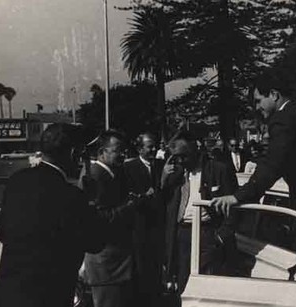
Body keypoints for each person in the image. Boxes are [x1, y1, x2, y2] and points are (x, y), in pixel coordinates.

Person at [210, 78, 296, 239]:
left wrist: (237, 197)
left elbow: (272, 165)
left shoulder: (283, 119)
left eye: (258, 101)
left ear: (274, 95)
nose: (257, 108)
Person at [0, 123, 104, 307]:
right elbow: (95, 242)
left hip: (9, 293)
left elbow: (3, 232)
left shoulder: (16, 181)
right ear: (72, 153)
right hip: (50, 295)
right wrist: (91, 202)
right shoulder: (71, 196)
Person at [161, 131, 235, 296]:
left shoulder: (218, 170)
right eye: (176, 157)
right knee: (184, 282)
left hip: (208, 233)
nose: (180, 161)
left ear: (196, 151)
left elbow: (234, 208)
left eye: (184, 156)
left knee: (207, 283)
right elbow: (162, 203)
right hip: (182, 234)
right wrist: (164, 178)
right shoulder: (177, 173)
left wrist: (221, 236)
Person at [80, 130, 143, 307]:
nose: (122, 154)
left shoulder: (113, 173)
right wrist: (130, 206)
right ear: (102, 152)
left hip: (118, 261)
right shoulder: (95, 176)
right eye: (117, 150)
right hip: (106, 263)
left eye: (123, 150)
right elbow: (98, 217)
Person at [124, 133, 163, 307]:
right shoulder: (129, 167)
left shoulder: (161, 166)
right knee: (141, 269)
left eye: (154, 146)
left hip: (157, 227)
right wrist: (144, 197)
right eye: (150, 147)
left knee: (155, 268)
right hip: (139, 227)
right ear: (140, 149)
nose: (154, 150)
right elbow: (128, 197)